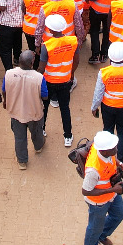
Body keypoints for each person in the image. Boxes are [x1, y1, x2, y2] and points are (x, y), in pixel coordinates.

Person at [80, 131, 123, 245]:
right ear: (105, 150)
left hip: (112, 194)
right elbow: (85, 190)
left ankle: (101, 236)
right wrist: (113, 190)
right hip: (98, 202)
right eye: (114, 148)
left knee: (119, 214)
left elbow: (113, 159)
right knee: (95, 226)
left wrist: (121, 165)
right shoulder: (93, 170)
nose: (116, 149)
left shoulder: (104, 149)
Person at [90, 41, 123, 164]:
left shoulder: (104, 72)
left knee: (108, 130)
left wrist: (94, 107)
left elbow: (98, 93)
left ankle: (108, 158)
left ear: (110, 57)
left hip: (108, 108)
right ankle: (121, 160)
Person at [39, 14, 79, 146]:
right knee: (64, 108)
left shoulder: (47, 45)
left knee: (44, 107)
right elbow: (76, 60)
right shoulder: (73, 41)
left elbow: (41, 68)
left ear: (49, 30)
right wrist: (71, 73)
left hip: (49, 82)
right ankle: (68, 136)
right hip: (65, 81)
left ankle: (42, 129)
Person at [3, 50, 46, 168]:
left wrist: (5, 101)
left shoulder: (9, 74)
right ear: (32, 63)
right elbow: (45, 95)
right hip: (34, 111)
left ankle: (22, 162)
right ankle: (38, 147)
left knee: (19, 137)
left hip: (16, 112)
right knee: (36, 132)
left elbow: (4, 90)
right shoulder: (39, 77)